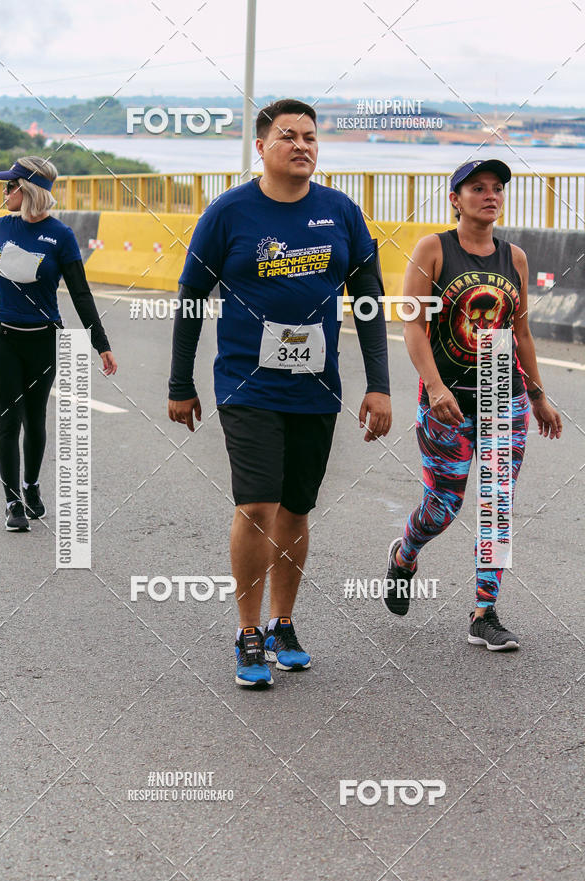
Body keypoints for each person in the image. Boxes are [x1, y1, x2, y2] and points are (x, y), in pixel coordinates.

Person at [169, 98, 391, 687]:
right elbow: (191, 298)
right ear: (261, 147)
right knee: (258, 504)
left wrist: (380, 386)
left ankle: (282, 622)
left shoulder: (341, 212)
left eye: (311, 137)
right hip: (246, 384)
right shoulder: (228, 213)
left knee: (296, 508)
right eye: (289, 136)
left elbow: (368, 302)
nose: (302, 146)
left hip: (317, 387)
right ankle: (247, 631)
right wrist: (180, 381)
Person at [384, 159, 562, 650]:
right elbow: (413, 326)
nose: (490, 195)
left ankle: (484, 612)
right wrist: (436, 388)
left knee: (497, 506)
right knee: (443, 507)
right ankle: (405, 554)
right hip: (449, 405)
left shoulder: (516, 259)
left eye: (496, 188)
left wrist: (538, 396)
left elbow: (521, 332)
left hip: (503, 401)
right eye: (477, 188)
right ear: (455, 199)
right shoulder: (433, 250)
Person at [0, 157, 117, 532]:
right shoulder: (0, 229)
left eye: (9, 186)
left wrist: (101, 343)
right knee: (8, 419)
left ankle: (31, 486)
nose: (4, 191)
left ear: (25, 190)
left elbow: (80, 293)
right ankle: (13, 502)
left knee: (35, 418)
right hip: (1, 337)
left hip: (43, 340)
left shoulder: (60, 236)